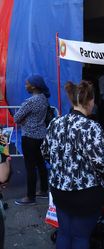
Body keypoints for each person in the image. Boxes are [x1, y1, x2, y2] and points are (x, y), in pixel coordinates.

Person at [41, 80, 104, 249]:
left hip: (59, 189)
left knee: (64, 233)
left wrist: (62, 166)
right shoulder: (91, 127)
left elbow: (45, 152)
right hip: (86, 193)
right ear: (89, 101)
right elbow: (100, 163)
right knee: (81, 236)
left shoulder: (55, 123)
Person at [14, 74, 50, 205]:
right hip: (41, 136)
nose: (25, 86)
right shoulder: (43, 99)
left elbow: (16, 118)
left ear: (33, 86)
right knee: (41, 163)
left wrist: (24, 120)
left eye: (27, 83)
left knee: (30, 167)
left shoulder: (31, 102)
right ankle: (44, 190)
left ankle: (30, 197)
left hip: (29, 137)